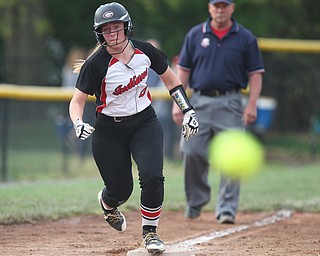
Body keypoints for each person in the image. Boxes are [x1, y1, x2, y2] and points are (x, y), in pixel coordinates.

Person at [69, 2, 199, 254]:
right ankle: (108, 203)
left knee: (152, 176)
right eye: (106, 30)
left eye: (117, 26)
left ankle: (150, 232)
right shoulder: (96, 63)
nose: (113, 34)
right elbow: (77, 101)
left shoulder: (145, 51)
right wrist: (78, 123)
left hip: (144, 122)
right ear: (99, 34)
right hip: (109, 130)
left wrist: (188, 110)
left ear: (127, 26)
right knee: (121, 190)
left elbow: (172, 81)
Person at [172, 0, 265, 224]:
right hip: (199, 101)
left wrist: (251, 104)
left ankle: (227, 209)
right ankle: (196, 201)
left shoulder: (245, 37)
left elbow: (255, 74)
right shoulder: (195, 35)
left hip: (231, 102)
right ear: (210, 8)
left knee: (233, 158)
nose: (220, 10)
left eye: (225, 6)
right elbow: (182, 71)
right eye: (217, 5)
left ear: (232, 8)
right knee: (191, 150)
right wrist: (179, 103)